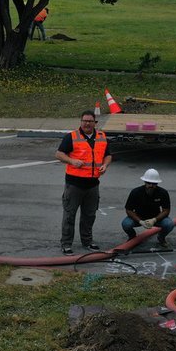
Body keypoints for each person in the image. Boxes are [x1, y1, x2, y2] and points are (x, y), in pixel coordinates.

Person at [55, 109, 113, 254]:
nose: (87, 123)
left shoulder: (101, 136)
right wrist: (71, 160)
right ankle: (66, 244)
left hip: (93, 185)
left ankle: (87, 241)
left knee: (89, 215)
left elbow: (108, 155)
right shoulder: (72, 137)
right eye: (84, 121)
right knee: (69, 215)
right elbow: (59, 154)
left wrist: (105, 165)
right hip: (74, 185)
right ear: (81, 122)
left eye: (90, 121)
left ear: (95, 123)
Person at [122, 168, 175, 251]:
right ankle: (132, 237)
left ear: (157, 183)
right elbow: (129, 210)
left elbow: (166, 210)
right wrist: (140, 221)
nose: (151, 185)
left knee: (169, 224)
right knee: (126, 224)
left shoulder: (163, 193)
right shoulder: (135, 192)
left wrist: (154, 220)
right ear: (144, 182)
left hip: (156, 217)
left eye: (154, 183)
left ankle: (161, 238)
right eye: (148, 183)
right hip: (139, 217)